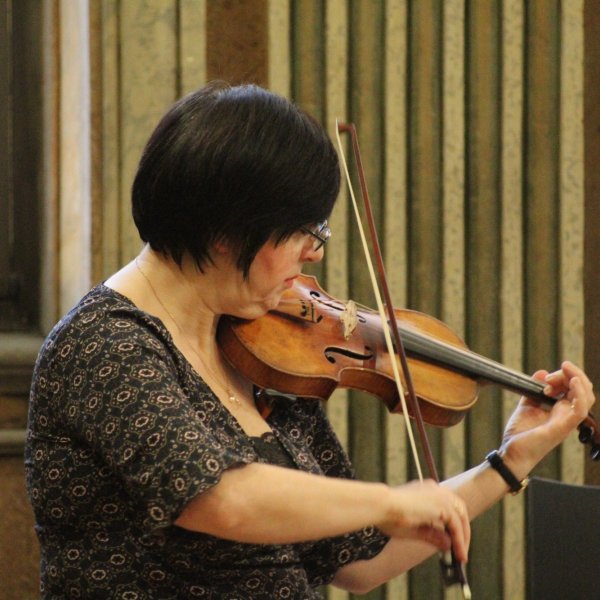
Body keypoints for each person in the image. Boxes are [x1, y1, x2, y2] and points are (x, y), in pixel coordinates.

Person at [25, 81, 595, 599]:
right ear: (228, 232)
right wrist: (391, 500)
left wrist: (511, 460)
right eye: (305, 230)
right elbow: (220, 497)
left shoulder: (261, 350)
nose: (315, 252)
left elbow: (359, 560)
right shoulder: (103, 345)